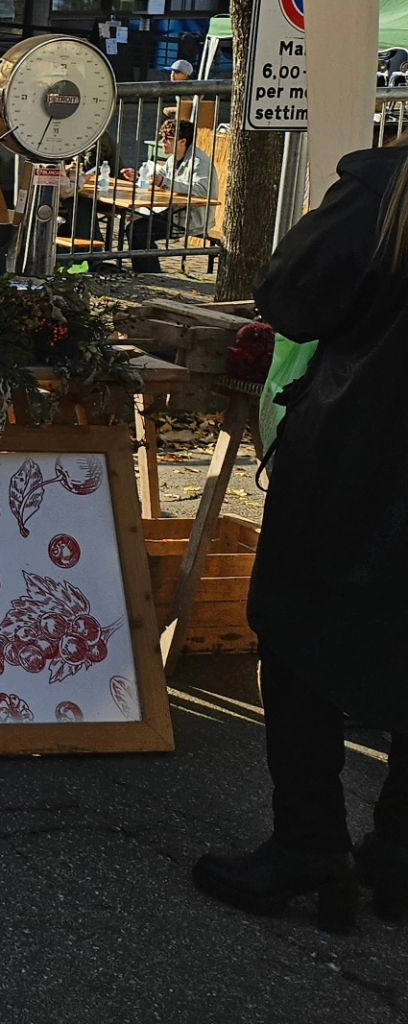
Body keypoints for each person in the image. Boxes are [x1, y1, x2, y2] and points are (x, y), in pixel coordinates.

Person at [193, 140, 408, 932]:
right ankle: (396, 852)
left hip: (366, 461)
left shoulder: (386, 189)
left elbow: (291, 294)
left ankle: (311, 842)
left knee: (298, 639)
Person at [120, 119, 217, 272]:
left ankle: (151, 274)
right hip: (173, 212)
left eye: (167, 138)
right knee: (135, 222)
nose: (162, 141)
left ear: (182, 141)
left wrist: (164, 182)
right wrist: (139, 176)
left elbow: (202, 191)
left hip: (191, 218)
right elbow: (160, 177)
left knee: (138, 230)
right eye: (162, 137)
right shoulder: (173, 159)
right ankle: (145, 271)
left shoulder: (199, 162)